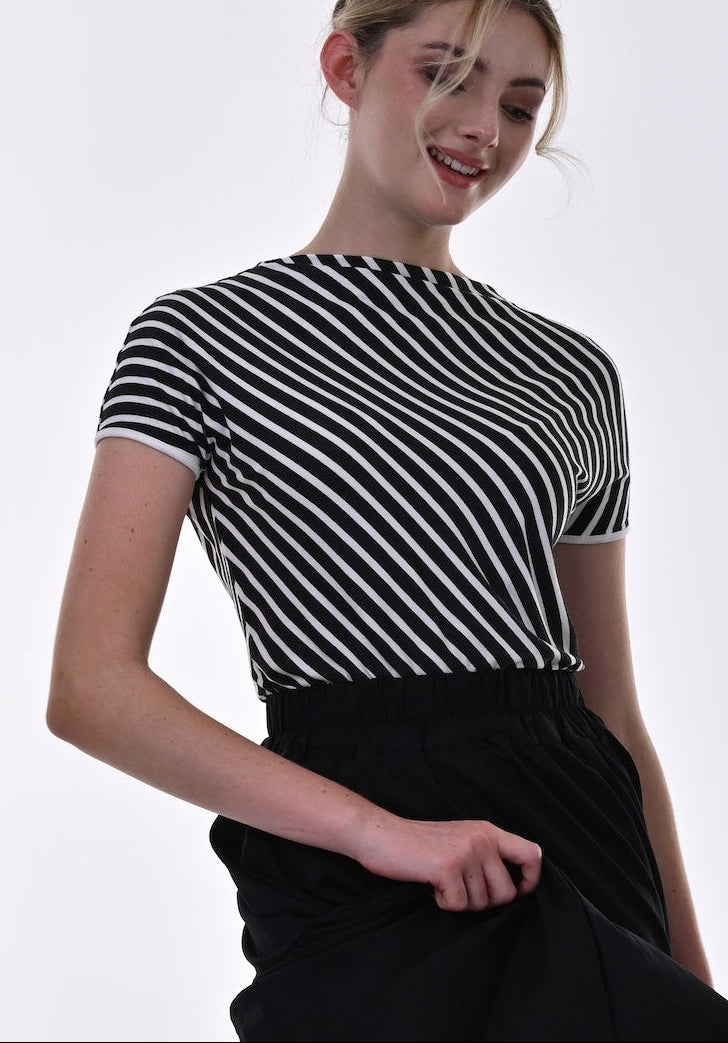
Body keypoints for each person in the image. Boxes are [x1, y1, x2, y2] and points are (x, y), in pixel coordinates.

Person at [46, 1, 728, 1040]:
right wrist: (381, 834)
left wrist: (689, 977)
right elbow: (91, 687)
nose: (482, 129)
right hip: (347, 853)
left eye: (517, 102)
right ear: (344, 66)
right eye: (444, 74)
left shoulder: (570, 374)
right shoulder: (193, 339)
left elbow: (612, 712)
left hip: (575, 841)